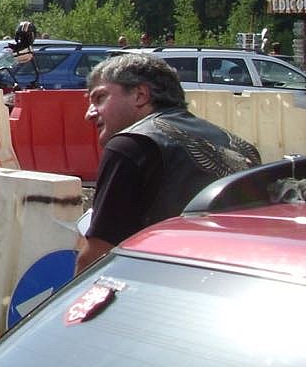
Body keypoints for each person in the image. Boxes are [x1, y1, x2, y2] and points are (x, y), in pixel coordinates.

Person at [77, 53, 260, 273]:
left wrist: (71, 296)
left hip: (162, 284)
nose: (89, 114)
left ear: (140, 95)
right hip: (235, 282)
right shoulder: (242, 147)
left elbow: (98, 256)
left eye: (100, 98)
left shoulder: (130, 145)